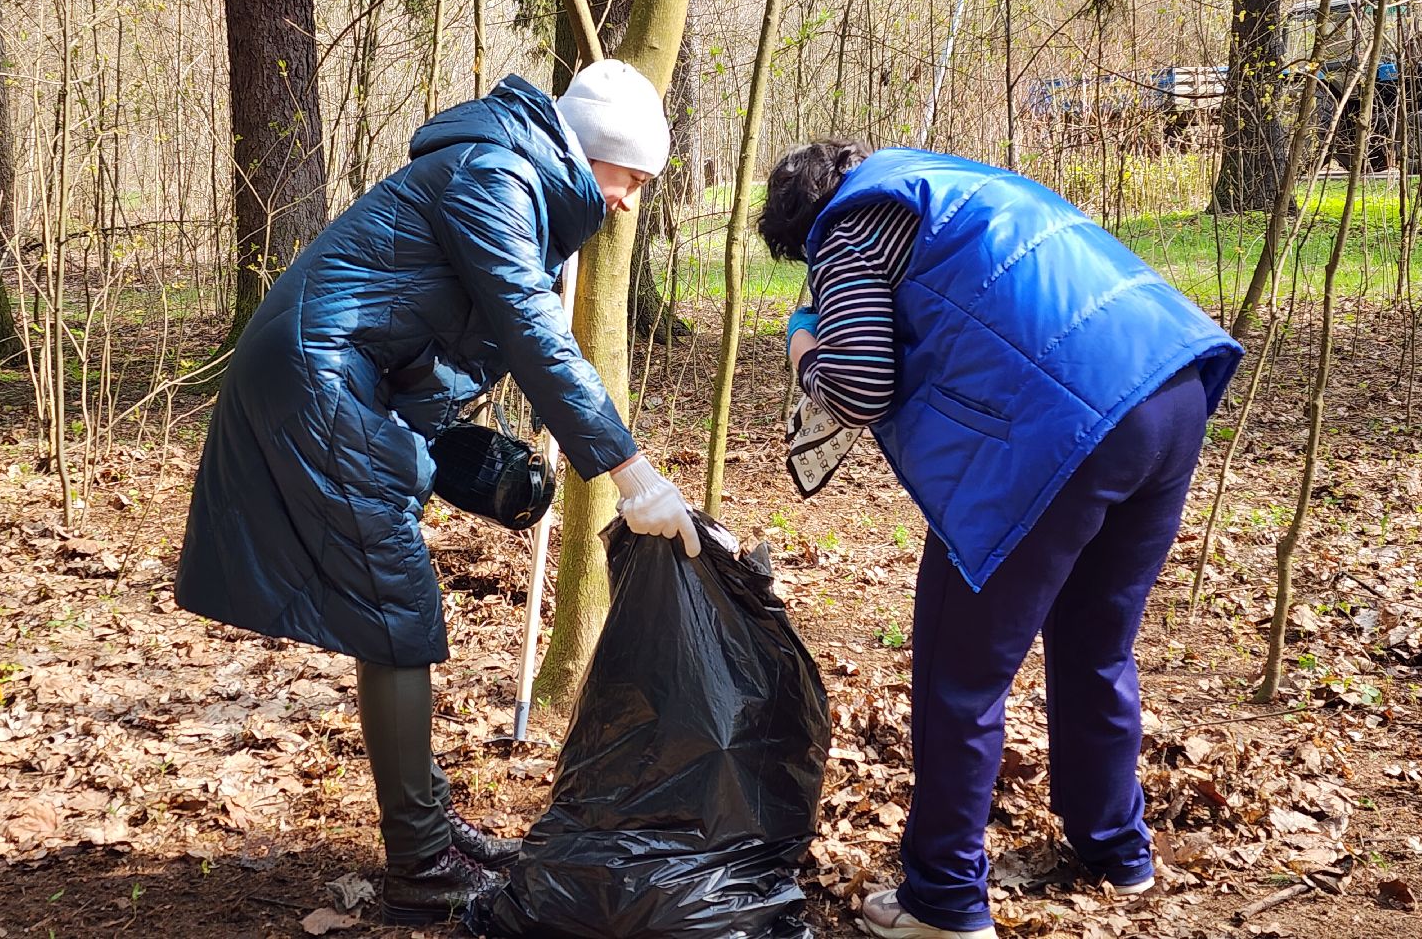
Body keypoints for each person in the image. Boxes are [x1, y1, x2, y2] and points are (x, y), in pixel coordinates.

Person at [174, 60, 701, 926]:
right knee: (397, 608)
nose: (629, 202)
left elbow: (435, 334)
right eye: (631, 179)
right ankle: (421, 864)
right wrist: (627, 469)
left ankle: (434, 832)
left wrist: (452, 452)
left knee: (396, 607)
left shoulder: (513, 175)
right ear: (596, 152)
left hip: (344, 383)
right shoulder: (496, 174)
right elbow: (530, 331)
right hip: (320, 384)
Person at [758, 141, 1243, 939]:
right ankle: (1117, 851)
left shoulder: (846, 229)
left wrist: (804, 344)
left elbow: (858, 384)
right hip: (1173, 384)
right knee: (1097, 646)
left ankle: (944, 901)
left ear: (800, 226)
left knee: (960, 677)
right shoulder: (949, 182)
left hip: (1068, 425)